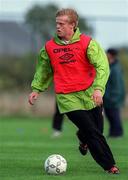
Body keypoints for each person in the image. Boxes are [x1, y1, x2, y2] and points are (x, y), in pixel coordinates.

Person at [28, 8, 119, 174]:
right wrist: (36, 89)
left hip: (90, 93)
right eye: (57, 23)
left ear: (73, 25)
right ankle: (110, 165)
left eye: (62, 24)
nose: (58, 27)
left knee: (96, 130)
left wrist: (98, 89)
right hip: (67, 96)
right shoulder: (49, 47)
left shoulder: (88, 43)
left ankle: (83, 139)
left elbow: (102, 66)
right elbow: (43, 71)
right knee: (92, 131)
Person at [103, 48, 125, 138]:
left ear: (111, 55)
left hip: (113, 97)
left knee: (114, 115)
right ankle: (113, 133)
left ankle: (117, 133)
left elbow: (117, 84)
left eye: (107, 53)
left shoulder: (115, 68)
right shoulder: (111, 66)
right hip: (108, 97)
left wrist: (114, 97)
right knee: (110, 115)